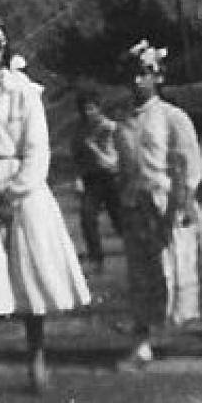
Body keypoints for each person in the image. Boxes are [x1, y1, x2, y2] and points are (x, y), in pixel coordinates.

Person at [0, 6, 89, 396]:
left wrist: (13, 194)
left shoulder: (22, 90)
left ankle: (36, 363)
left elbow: (37, 150)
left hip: (19, 186)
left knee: (29, 278)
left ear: (0, 48)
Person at [112, 40, 202, 368]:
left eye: (143, 74)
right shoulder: (123, 123)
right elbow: (124, 168)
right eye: (131, 75)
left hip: (171, 206)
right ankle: (142, 343)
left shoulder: (172, 117)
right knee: (142, 275)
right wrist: (125, 203)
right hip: (138, 209)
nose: (136, 81)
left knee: (190, 267)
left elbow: (187, 165)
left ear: (157, 77)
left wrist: (178, 205)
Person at [69, 89, 124, 272]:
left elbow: (122, 151)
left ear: (99, 108)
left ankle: (137, 252)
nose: (88, 112)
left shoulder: (110, 127)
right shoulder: (80, 131)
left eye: (92, 108)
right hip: (92, 179)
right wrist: (78, 178)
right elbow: (77, 157)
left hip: (112, 177)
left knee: (120, 219)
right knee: (87, 216)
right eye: (85, 109)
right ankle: (96, 257)